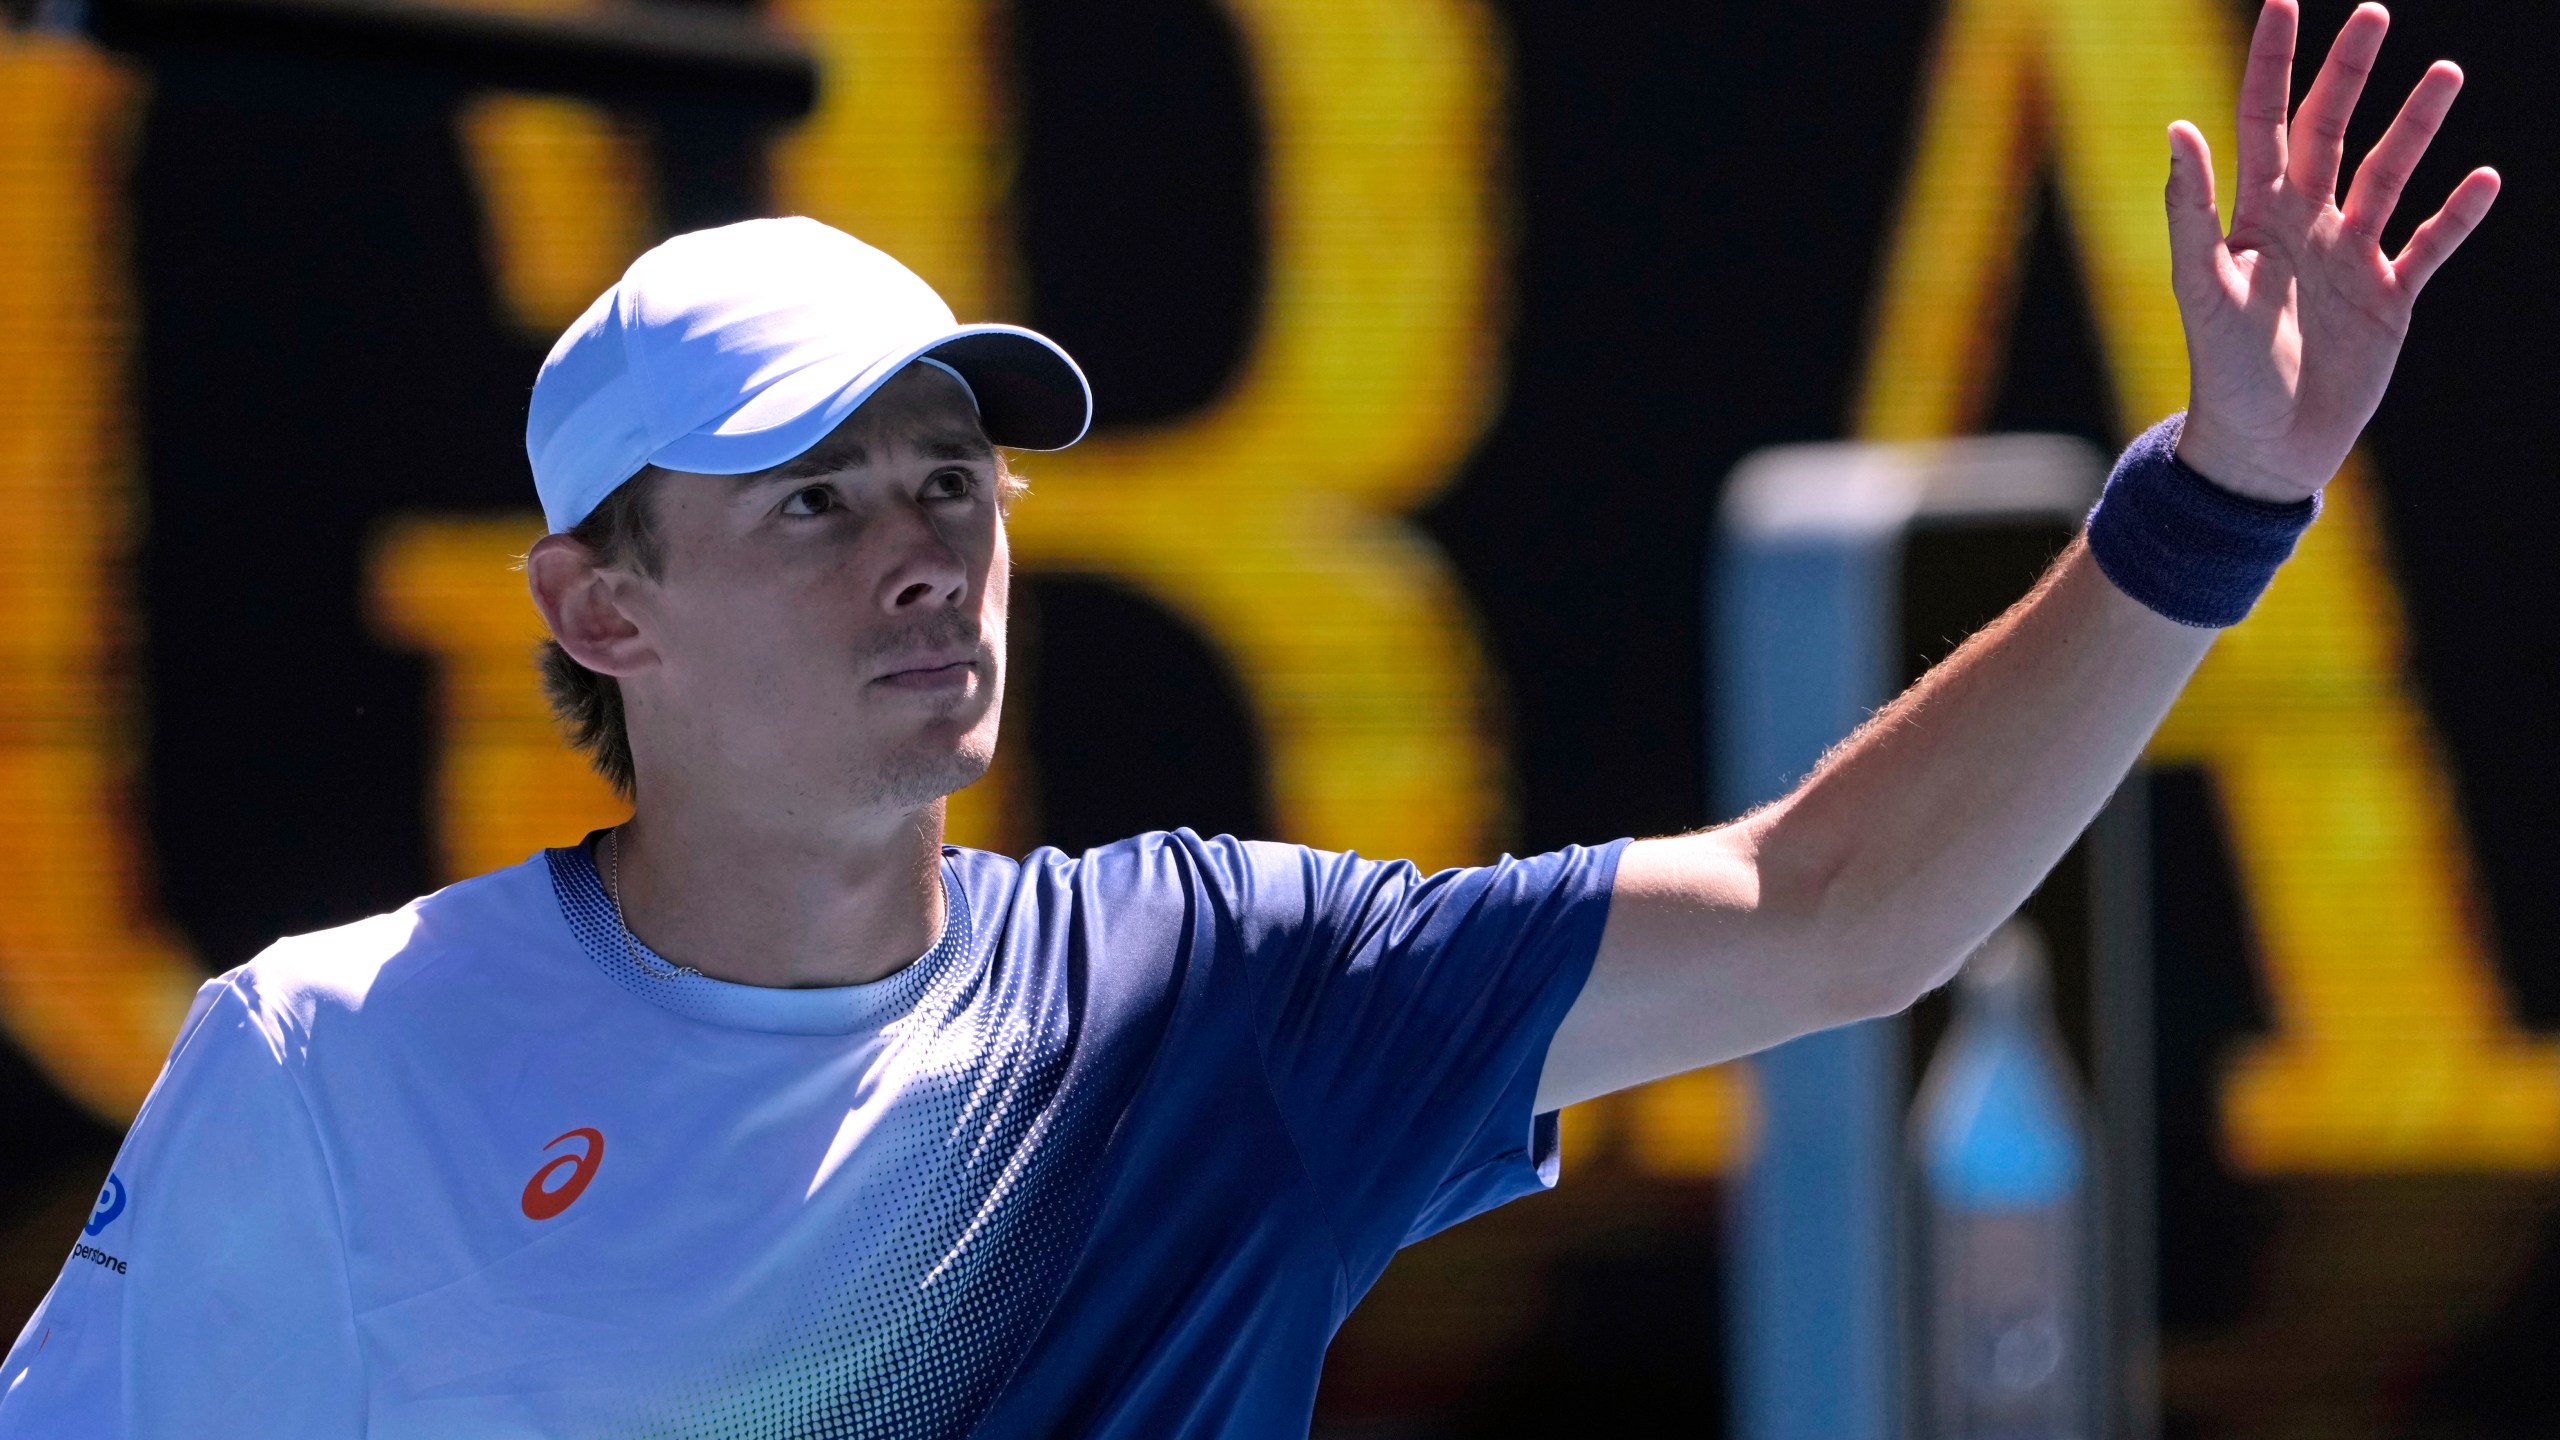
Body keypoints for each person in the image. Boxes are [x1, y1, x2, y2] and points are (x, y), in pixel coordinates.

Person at [0, 3, 2497, 1435]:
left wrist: (2218, 501)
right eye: (806, 502)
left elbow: (1825, 914)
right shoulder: (322, 1065)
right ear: (598, 608)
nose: (918, 547)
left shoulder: (1215, 1006)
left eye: (951, 479)